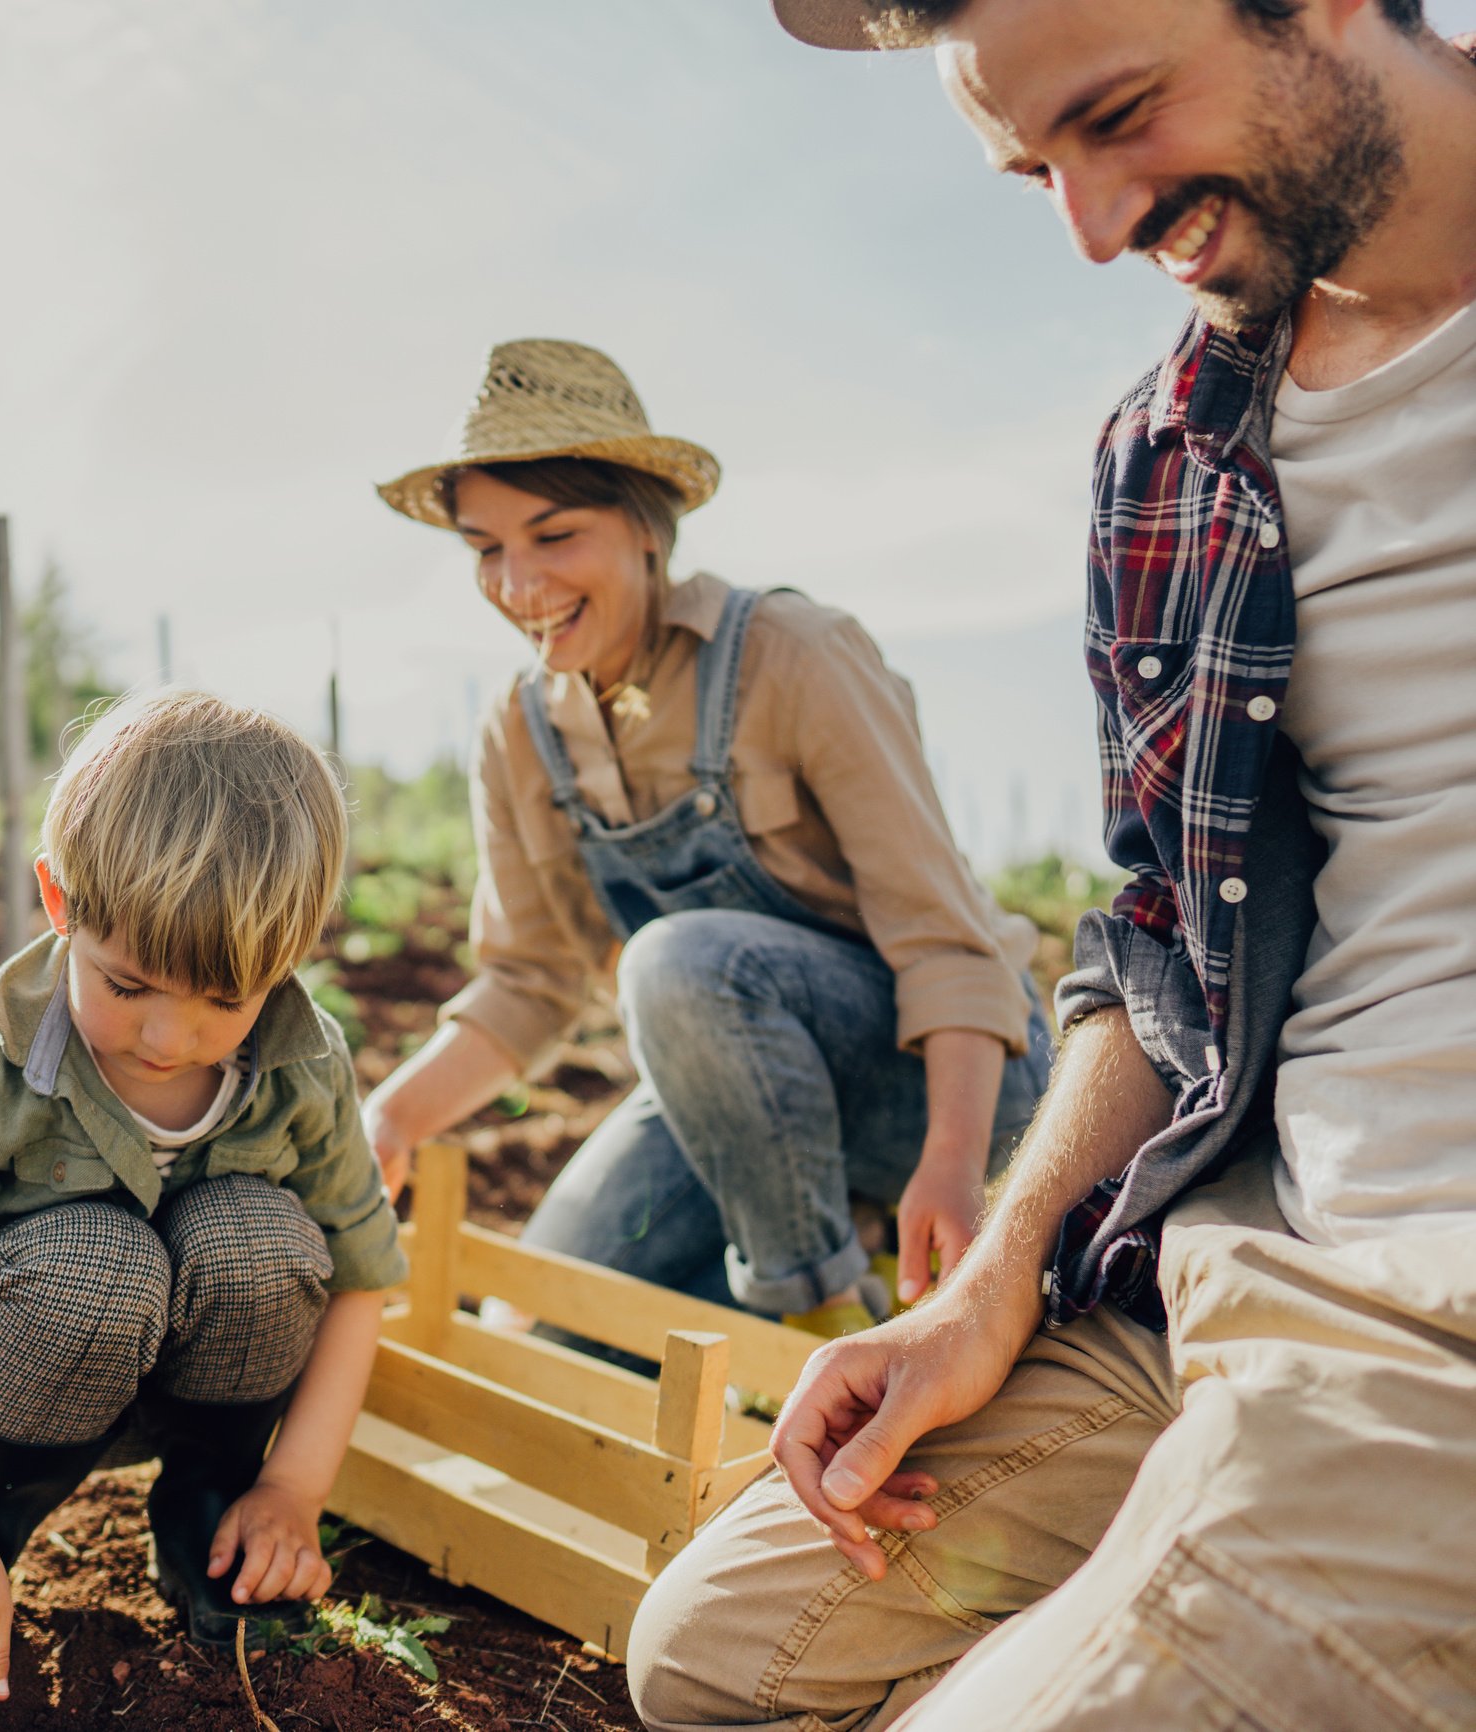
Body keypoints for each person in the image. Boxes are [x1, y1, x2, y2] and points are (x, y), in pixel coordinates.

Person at [627, 3, 1476, 1726]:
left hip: (1433, 1329)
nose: (1091, 229)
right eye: (1033, 171)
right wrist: (990, 1270)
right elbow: (1159, 930)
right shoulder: (1170, 458)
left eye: (1118, 116)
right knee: (710, 1663)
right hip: (1236, 1247)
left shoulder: (783, 658)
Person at [362, 338, 1051, 1344]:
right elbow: (530, 982)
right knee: (540, 1330)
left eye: (554, 535)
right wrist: (389, 1117)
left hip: (950, 1097)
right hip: (748, 1113)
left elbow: (946, 942)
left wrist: (954, 1165)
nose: (517, 583)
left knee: (678, 961)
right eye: (485, 548)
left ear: (646, 526)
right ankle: (816, 1289)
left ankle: (817, 1318)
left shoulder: (794, 657)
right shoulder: (520, 733)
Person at [0, 690, 403, 1732]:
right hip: (12, 1382)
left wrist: (291, 1487)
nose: (168, 1035)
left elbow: (362, 1279)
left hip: (202, 1387)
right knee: (95, 1258)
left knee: (262, 1237)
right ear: (60, 902)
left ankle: (205, 1519)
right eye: (129, 982)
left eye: (222, 1001)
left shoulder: (305, 1062)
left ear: (289, 958)